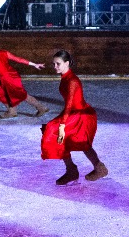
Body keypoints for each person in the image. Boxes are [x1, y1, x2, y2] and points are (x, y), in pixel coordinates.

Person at [40, 50, 107, 185]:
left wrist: (62, 125)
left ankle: (96, 168)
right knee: (62, 138)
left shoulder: (72, 81)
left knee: (77, 141)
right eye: (53, 64)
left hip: (80, 115)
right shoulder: (65, 77)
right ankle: (72, 170)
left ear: (67, 63)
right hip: (72, 113)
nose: (55, 67)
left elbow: (70, 103)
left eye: (58, 64)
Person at [0, 37, 48, 118]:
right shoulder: (4, 53)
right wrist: (34, 64)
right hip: (9, 77)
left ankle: (41, 108)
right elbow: (18, 59)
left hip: (7, 79)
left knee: (21, 94)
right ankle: (12, 111)